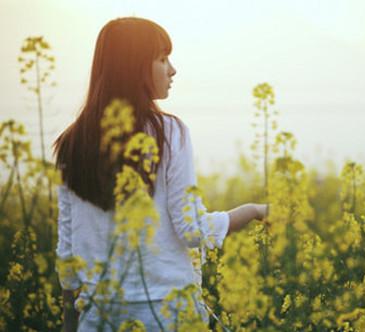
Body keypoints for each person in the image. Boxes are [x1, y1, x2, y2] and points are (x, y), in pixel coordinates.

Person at [53, 16, 268, 332]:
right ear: (134, 66)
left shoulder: (72, 143)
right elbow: (191, 229)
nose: (172, 69)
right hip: (167, 316)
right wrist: (252, 211)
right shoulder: (169, 133)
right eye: (162, 58)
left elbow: (68, 250)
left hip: (100, 319)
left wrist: (71, 320)